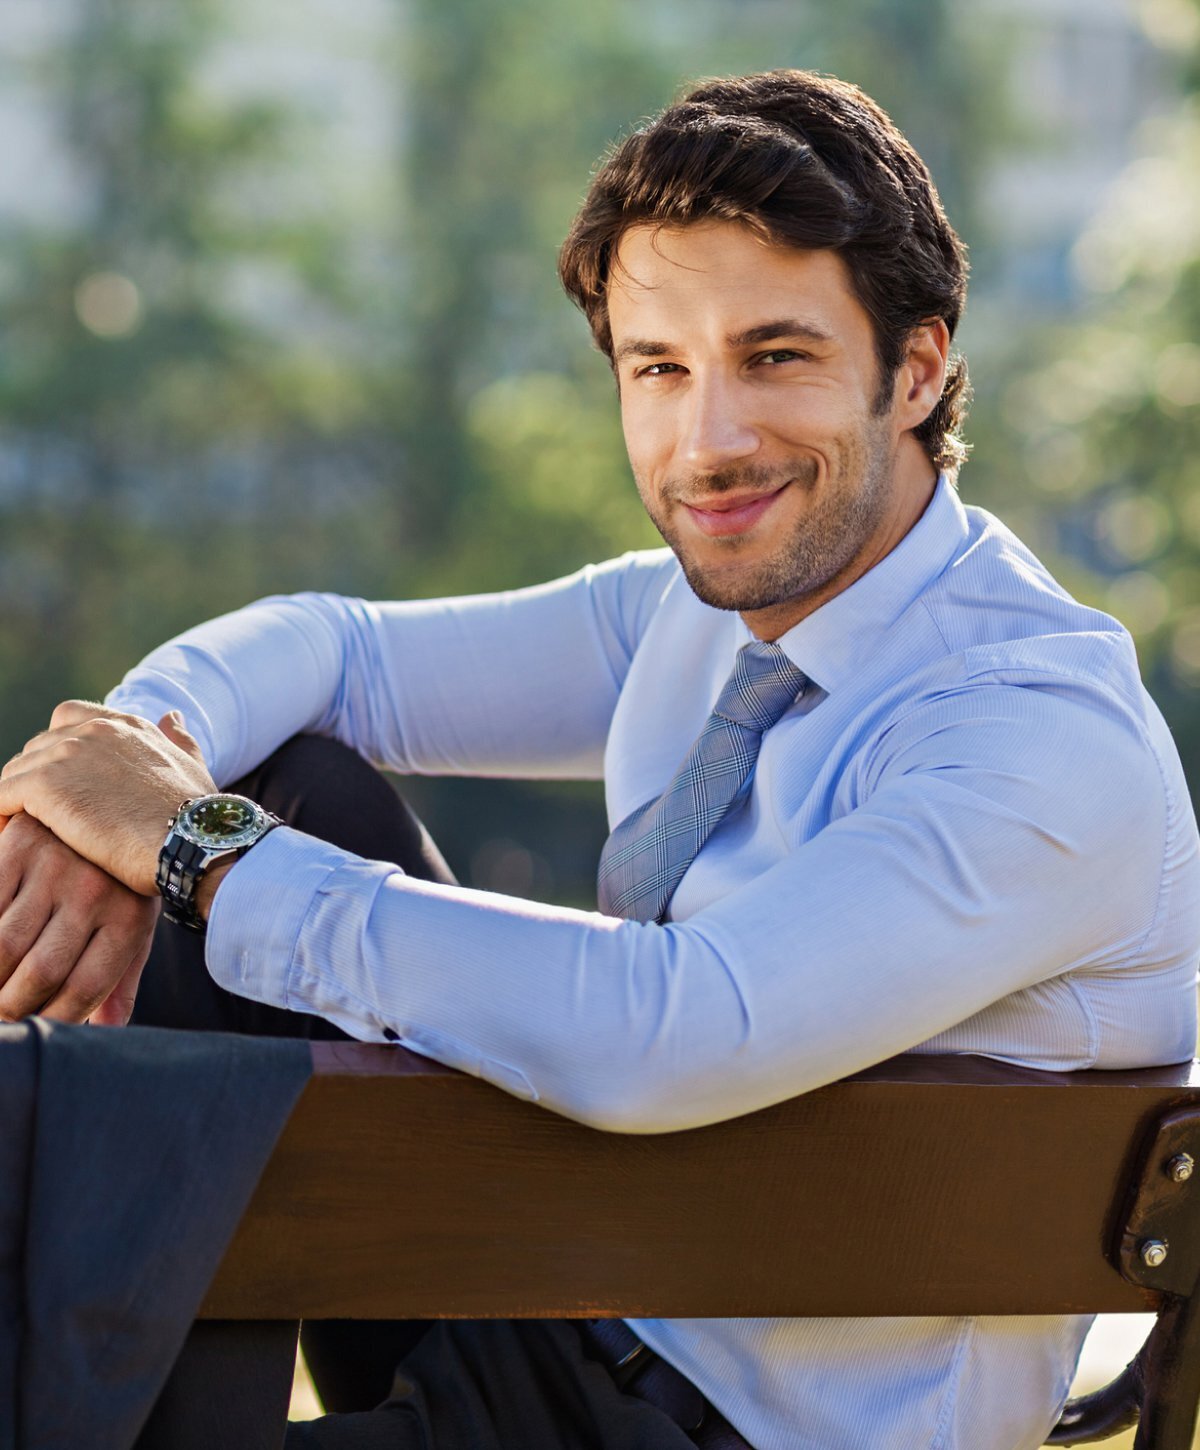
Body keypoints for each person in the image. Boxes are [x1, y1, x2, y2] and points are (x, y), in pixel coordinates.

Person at [1, 68, 1197, 1450]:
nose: (711, 439)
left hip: (715, 1430)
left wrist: (195, 850)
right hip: (552, 1292)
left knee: (228, 854)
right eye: (660, 369)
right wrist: (117, 789)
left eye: (776, 356)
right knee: (285, 779)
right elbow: (338, 651)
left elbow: (668, 1026)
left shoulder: (1034, 736)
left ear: (917, 366)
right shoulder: (693, 615)